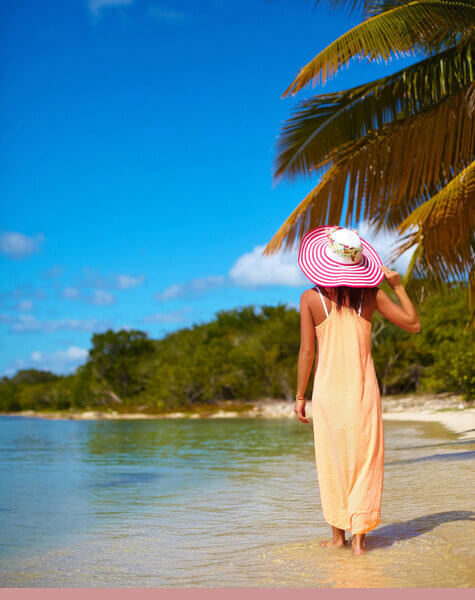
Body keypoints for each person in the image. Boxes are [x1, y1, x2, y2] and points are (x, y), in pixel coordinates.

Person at [294, 226, 421, 556]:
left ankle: (338, 537)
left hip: (327, 395)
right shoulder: (371, 295)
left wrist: (299, 397)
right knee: (365, 460)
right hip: (363, 391)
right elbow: (413, 323)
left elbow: (306, 352)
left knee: (332, 460)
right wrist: (397, 285)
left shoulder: (310, 298)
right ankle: (359, 544)